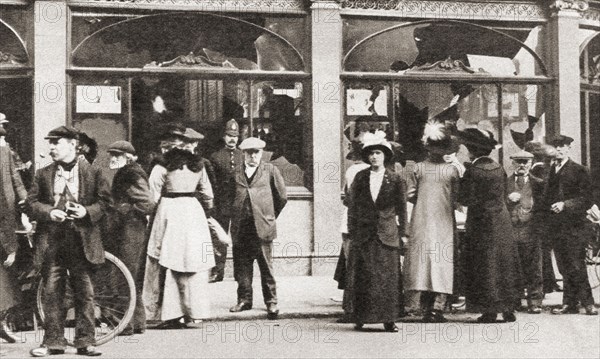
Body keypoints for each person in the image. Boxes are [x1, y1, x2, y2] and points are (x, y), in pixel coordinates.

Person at [28, 126, 110, 357]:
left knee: (85, 293)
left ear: (73, 145)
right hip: (52, 242)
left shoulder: (93, 173)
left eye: (57, 143)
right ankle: (53, 342)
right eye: (50, 143)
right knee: (52, 293)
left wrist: (86, 211)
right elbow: (31, 203)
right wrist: (49, 212)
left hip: (82, 241)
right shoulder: (43, 174)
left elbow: (105, 205)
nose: (52, 148)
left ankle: (86, 342)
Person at [143, 147, 215, 327]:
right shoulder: (199, 166)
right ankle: (194, 312)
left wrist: (150, 216)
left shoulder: (162, 165)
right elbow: (208, 195)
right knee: (194, 263)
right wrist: (203, 209)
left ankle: (165, 313)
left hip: (168, 211)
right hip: (193, 212)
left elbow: (152, 196)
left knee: (163, 260)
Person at [346, 132, 406, 332]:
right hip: (364, 234)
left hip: (387, 234)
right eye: (371, 154)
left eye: (378, 153)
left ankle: (389, 319)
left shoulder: (395, 179)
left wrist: (403, 233)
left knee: (388, 278)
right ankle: (361, 317)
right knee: (365, 276)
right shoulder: (361, 177)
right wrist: (353, 231)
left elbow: (402, 208)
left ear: (385, 156)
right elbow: (353, 207)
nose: (374, 157)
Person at [457, 128, 519, 323]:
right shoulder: (499, 168)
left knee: (485, 265)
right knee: (504, 263)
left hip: (481, 223)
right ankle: (509, 308)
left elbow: (465, 198)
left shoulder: (473, 171)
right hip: (502, 221)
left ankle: (489, 310)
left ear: (472, 151)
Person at [404, 121, 462, 323]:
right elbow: (455, 198)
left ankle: (429, 306)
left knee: (430, 261)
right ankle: (432, 307)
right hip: (437, 219)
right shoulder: (449, 171)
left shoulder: (420, 169)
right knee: (436, 261)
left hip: (430, 219)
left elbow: (411, 195)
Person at [228, 137, 287, 320]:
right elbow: (229, 197)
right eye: (248, 152)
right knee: (242, 266)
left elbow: (281, 197)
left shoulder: (270, 171)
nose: (252, 156)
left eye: (256, 152)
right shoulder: (236, 172)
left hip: (262, 227)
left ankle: (271, 302)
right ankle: (244, 300)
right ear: (243, 154)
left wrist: (268, 216)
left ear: (261, 153)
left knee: (266, 266)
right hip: (241, 227)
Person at [107, 141, 155, 336]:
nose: (112, 158)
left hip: (131, 229)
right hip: (129, 228)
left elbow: (149, 202)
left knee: (124, 275)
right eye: (111, 154)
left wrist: (127, 210)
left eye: (116, 155)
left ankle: (125, 323)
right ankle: (136, 322)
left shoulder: (131, 173)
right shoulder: (128, 172)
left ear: (128, 157)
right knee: (129, 275)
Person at [544, 135, 597, 315]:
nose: (558, 149)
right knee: (564, 265)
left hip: (575, 226)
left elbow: (587, 199)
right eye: (555, 146)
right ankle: (570, 303)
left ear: (569, 149)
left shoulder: (580, 170)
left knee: (576, 265)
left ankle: (588, 303)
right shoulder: (552, 170)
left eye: (562, 146)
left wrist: (565, 205)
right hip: (557, 226)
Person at [506, 150, 543, 314]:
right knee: (512, 266)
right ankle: (514, 300)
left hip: (531, 229)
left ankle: (534, 301)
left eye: (525, 162)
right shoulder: (504, 183)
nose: (521, 165)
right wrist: (507, 199)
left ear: (531, 163)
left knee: (533, 267)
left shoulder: (539, 183)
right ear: (512, 163)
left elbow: (543, 207)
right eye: (518, 161)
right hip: (510, 229)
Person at [0, 126, 27, 344]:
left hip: (5, 219)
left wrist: (27, 205)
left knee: (5, 276)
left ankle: (1, 323)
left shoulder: (4, 149)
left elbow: (15, 179)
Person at [525, 141, 563, 293]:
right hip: (545, 214)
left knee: (542, 251)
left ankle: (548, 282)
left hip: (541, 215)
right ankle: (549, 282)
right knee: (544, 250)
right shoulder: (543, 168)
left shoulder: (537, 169)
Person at [209, 119, 244, 283]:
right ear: (224, 137)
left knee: (238, 239)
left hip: (238, 204)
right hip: (221, 204)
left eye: (235, 136)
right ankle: (218, 271)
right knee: (219, 238)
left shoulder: (243, 156)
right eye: (229, 135)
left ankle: (239, 272)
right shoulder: (215, 157)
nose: (232, 139)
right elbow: (211, 183)